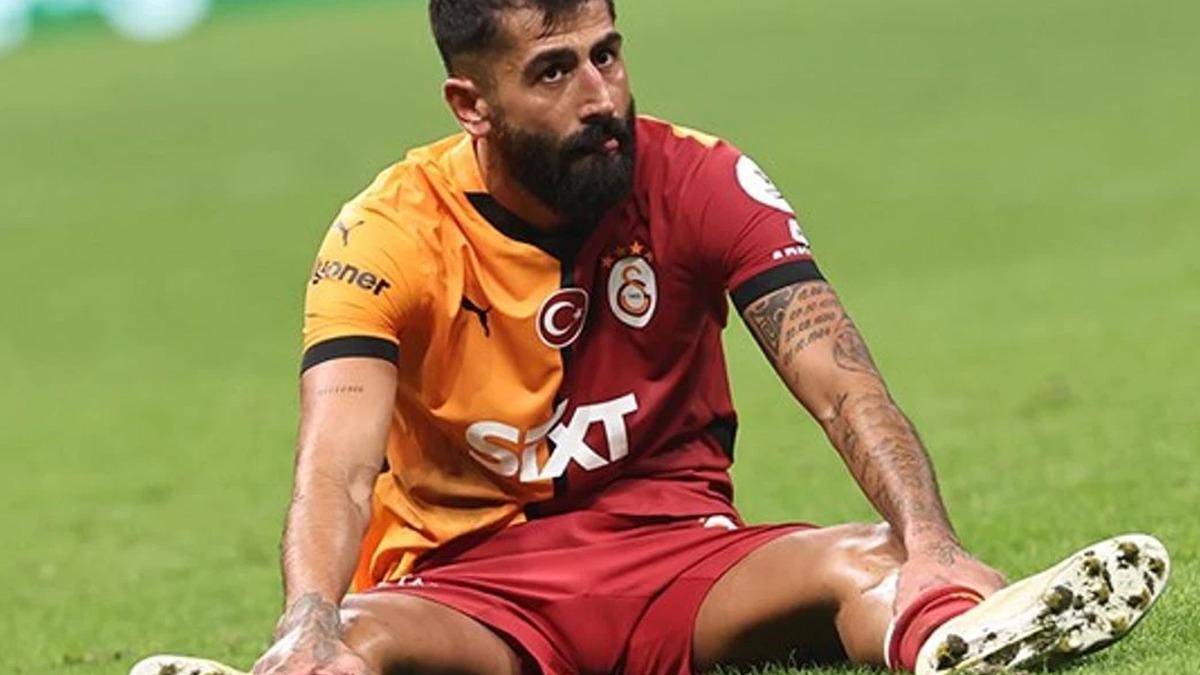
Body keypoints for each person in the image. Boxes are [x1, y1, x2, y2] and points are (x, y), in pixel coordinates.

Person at [132, 1, 1170, 674]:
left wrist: (933, 542)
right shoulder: (387, 233)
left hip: (679, 561)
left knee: (872, 559)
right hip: (469, 589)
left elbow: (843, 385)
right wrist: (307, 616)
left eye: (608, 54)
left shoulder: (701, 179)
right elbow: (336, 465)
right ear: (470, 103)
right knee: (353, 638)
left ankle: (955, 635)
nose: (602, 98)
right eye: (553, 72)